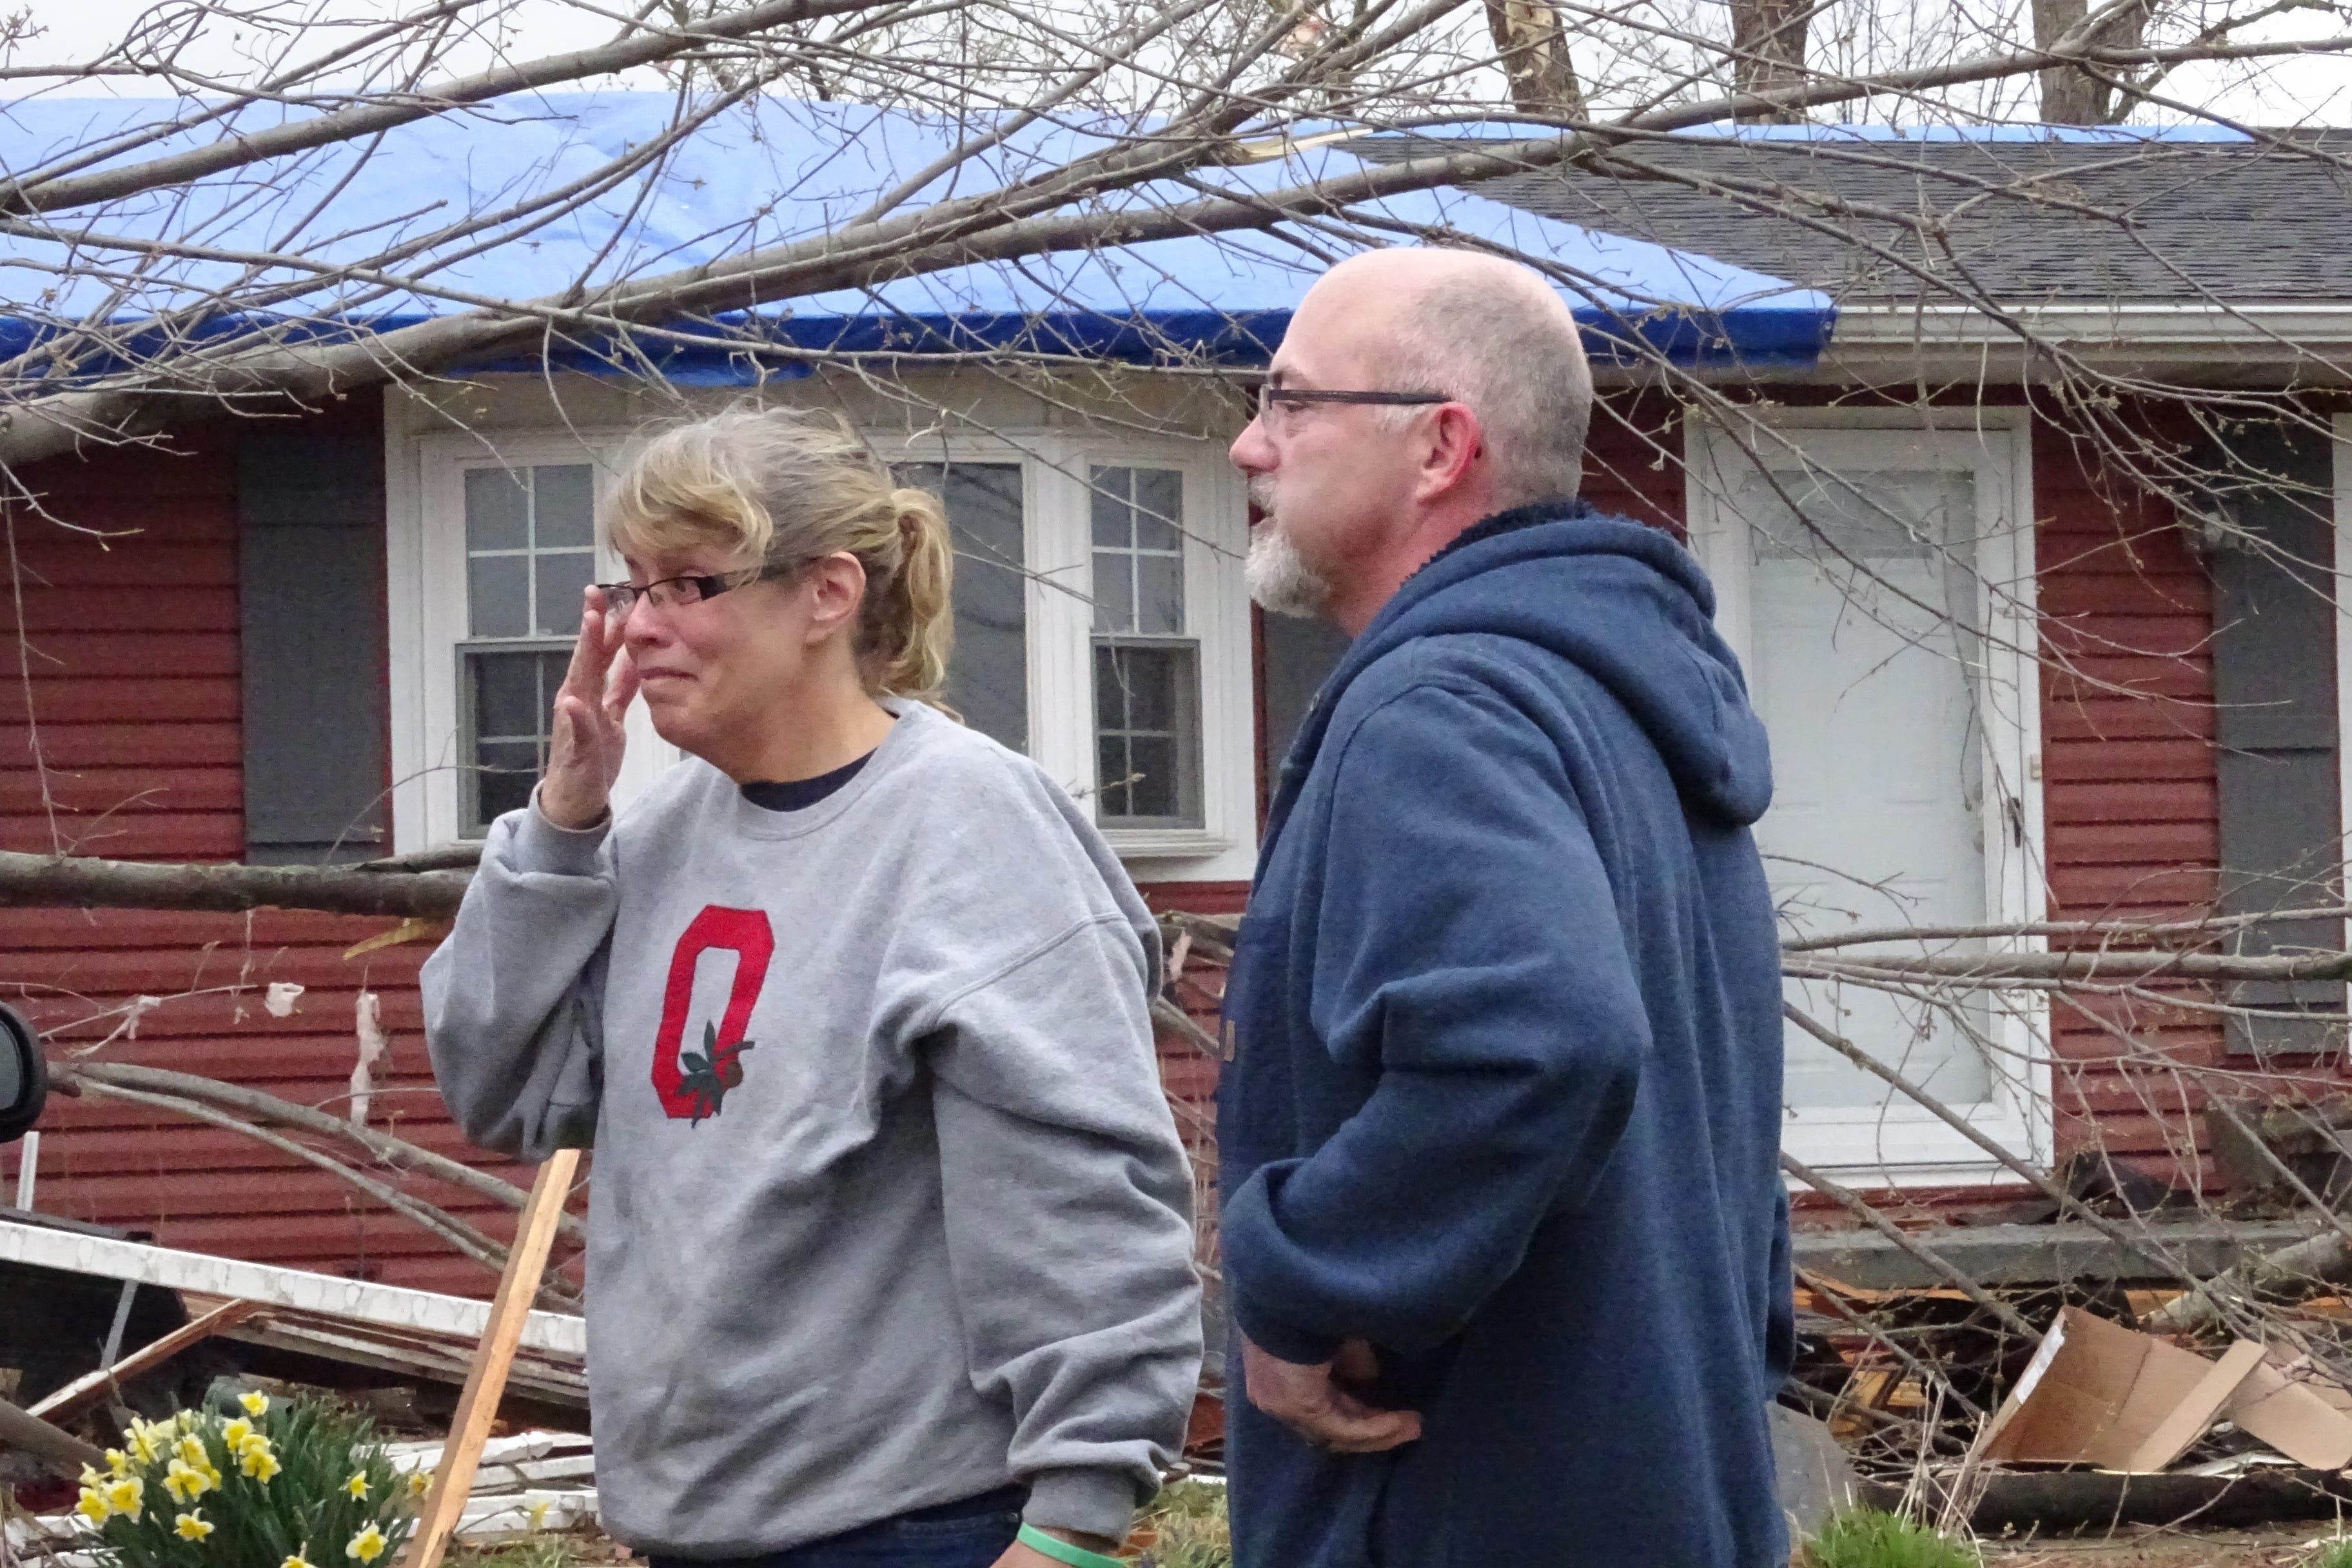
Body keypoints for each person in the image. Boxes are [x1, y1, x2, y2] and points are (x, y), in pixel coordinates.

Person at [421, 407, 1203, 1568]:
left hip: (918, 1529)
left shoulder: (968, 829)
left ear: (828, 595)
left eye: (688, 584)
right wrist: (562, 824)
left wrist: (1075, 1529)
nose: (639, 629)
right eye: (631, 588)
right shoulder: (657, 836)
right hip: (692, 1525)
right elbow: (502, 1090)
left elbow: (1082, 1196)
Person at [1217, 247, 1791, 1567]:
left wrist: (1302, 1288)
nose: (1252, 444)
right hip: (1653, 1492)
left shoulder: (1444, 710)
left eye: (1292, 401)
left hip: (1466, 1502)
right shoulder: (1618, 693)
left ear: (1440, 446)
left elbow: (1542, 1040)